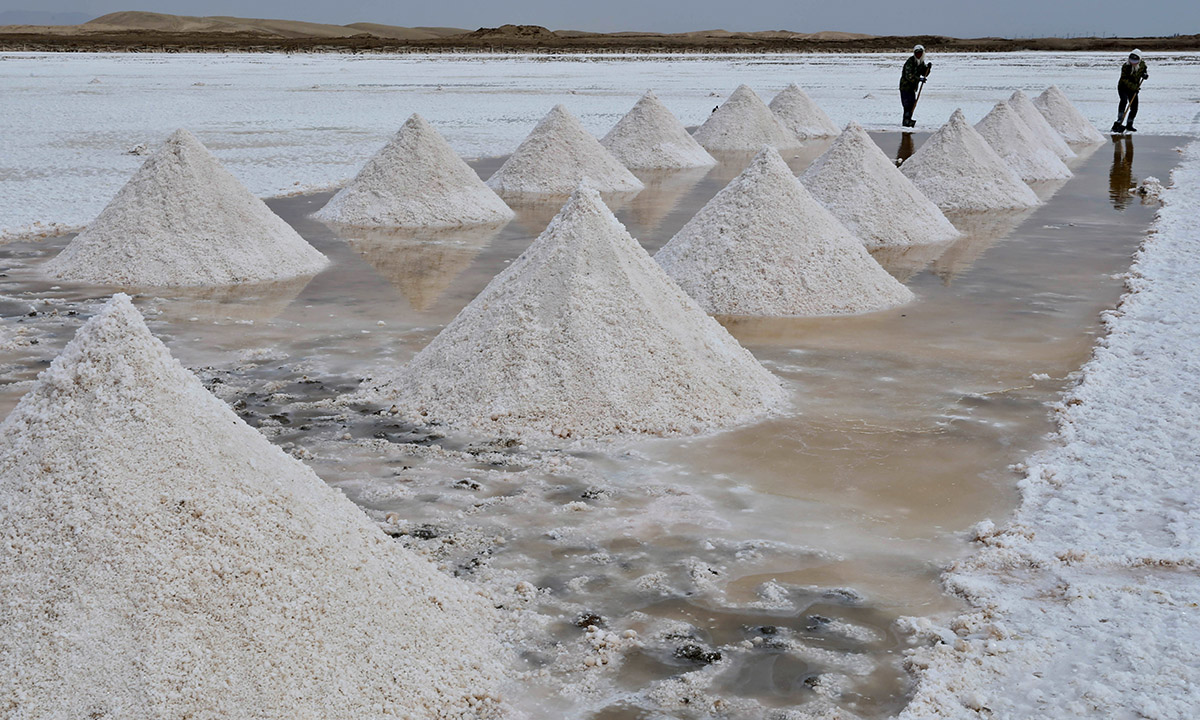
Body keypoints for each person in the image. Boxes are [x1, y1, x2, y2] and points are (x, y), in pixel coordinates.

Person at [1116, 49, 1149, 132]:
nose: (1133, 62)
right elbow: (1124, 79)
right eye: (1131, 60)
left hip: (1134, 88)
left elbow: (1143, 71)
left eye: (1135, 60)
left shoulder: (1142, 65)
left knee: (1134, 107)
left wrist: (1144, 75)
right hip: (1123, 87)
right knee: (1123, 101)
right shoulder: (1125, 66)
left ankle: (1129, 124)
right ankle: (1119, 121)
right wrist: (1134, 87)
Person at [899, 45, 932, 128]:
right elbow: (908, 75)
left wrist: (928, 68)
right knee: (907, 105)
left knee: (912, 104)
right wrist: (918, 79)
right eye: (917, 53)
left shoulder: (920, 62)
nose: (918, 55)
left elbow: (924, 73)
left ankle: (909, 119)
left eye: (920, 53)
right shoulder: (910, 62)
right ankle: (906, 121)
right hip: (905, 87)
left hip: (912, 88)